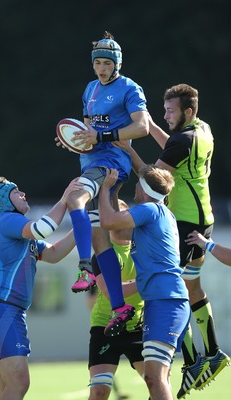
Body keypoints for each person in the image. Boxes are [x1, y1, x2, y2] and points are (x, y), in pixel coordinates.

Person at [113, 83, 230, 398]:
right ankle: (213, 351)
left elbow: (153, 180)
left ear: (187, 112)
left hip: (185, 221)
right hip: (205, 220)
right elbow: (174, 146)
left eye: (170, 111)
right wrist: (148, 125)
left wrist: (130, 150)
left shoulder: (182, 141)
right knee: (192, 286)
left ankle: (193, 360)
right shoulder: (201, 130)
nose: (165, 116)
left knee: (173, 286)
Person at [56, 30, 149, 336]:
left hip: (112, 163)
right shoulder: (90, 89)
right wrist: (75, 141)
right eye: (98, 63)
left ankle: (84, 267)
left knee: (75, 199)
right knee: (99, 238)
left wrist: (102, 136)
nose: (102, 68)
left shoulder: (129, 88)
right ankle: (120, 306)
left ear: (117, 64)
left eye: (107, 63)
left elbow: (142, 127)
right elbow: (88, 129)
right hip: (91, 160)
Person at [0, 176, 83, 400]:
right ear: (4, 200)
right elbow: (43, 229)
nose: (23, 194)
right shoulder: (7, 219)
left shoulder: (20, 233)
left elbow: (53, 254)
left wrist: (84, 223)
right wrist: (64, 200)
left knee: (11, 387)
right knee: (19, 383)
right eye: (16, 192)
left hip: (5, 311)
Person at [98, 165, 191, 400]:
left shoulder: (149, 209)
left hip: (166, 300)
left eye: (139, 183)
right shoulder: (158, 211)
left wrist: (104, 188)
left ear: (146, 189)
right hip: (162, 300)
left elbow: (109, 221)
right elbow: (119, 228)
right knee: (158, 379)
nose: (135, 186)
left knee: (154, 378)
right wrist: (114, 192)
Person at [88, 198, 144, 400]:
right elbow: (113, 293)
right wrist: (145, 282)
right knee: (100, 391)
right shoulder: (103, 254)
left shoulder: (144, 249)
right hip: (105, 326)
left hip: (139, 326)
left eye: (121, 214)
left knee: (158, 383)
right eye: (112, 214)